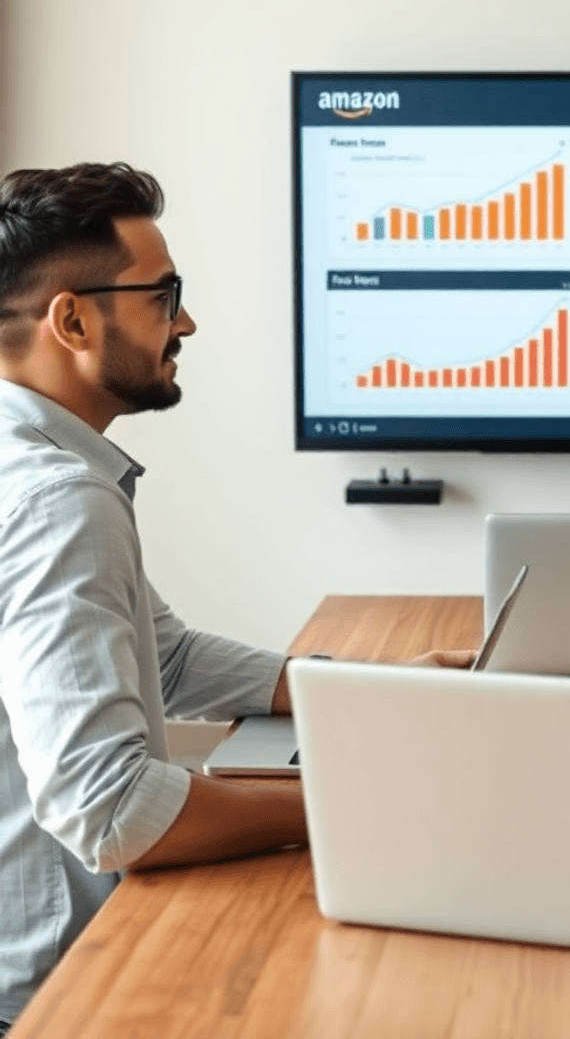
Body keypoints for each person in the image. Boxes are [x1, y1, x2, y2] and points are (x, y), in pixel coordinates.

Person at [0, 163, 469, 1031]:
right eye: (162, 295)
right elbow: (112, 810)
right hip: (56, 989)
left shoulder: (31, 468)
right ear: (71, 319)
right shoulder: (56, 498)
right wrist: (357, 807)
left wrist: (372, 688)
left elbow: (165, 657)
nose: (185, 322)